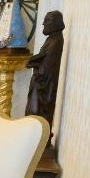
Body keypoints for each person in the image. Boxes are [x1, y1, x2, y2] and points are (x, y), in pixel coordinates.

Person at [25, 10, 65, 144]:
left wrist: (32, 62)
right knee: (32, 110)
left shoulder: (57, 41)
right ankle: (34, 138)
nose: (43, 23)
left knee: (36, 110)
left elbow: (47, 64)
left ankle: (39, 141)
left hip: (44, 85)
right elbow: (43, 56)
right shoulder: (52, 39)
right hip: (40, 81)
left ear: (56, 23)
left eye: (47, 20)